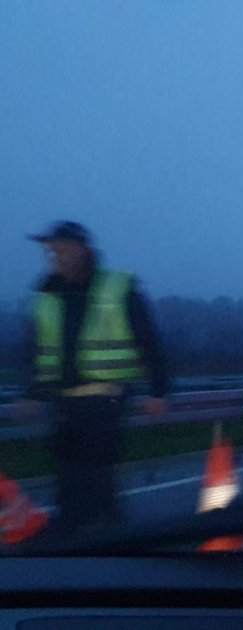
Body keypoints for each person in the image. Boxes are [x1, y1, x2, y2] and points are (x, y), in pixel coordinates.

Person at [17, 221, 169, 533]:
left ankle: (98, 544)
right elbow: (35, 350)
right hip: (63, 403)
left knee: (92, 476)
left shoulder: (117, 288)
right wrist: (31, 393)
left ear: (83, 250)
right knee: (71, 477)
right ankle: (101, 538)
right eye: (51, 250)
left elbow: (149, 340)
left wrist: (158, 391)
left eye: (61, 248)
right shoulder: (47, 295)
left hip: (105, 398)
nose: (54, 255)